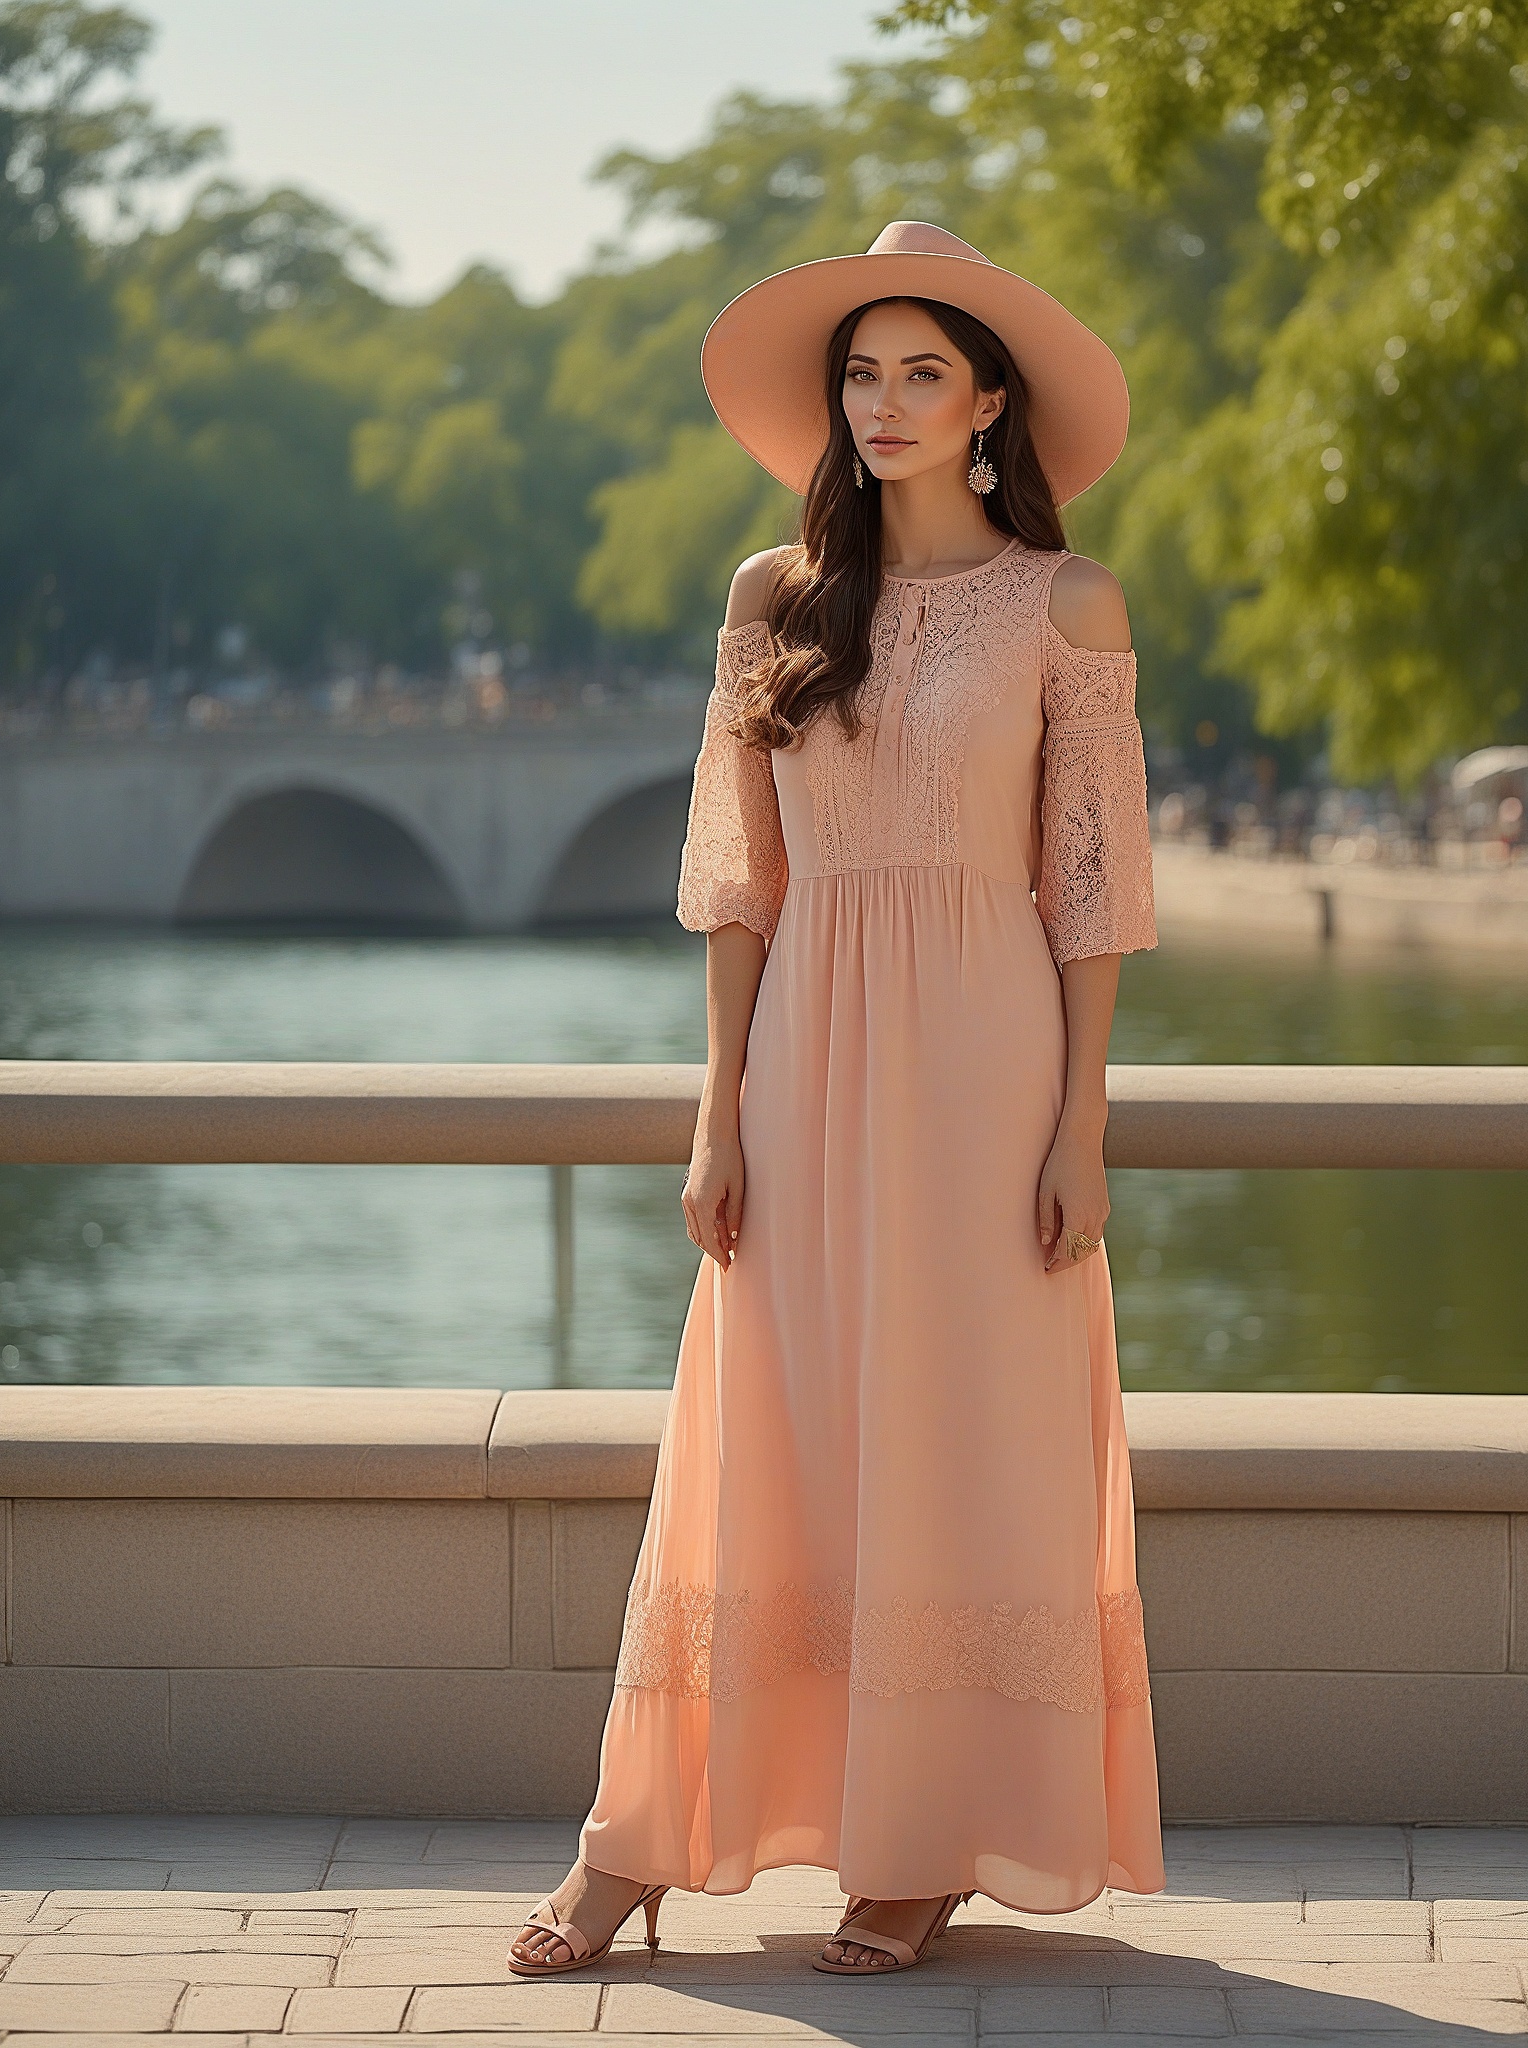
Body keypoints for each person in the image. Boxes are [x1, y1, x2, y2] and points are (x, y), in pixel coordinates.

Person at [507, 221, 1166, 1982]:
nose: (883, 404)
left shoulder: (1067, 605)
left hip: (987, 1055)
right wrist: (718, 1105)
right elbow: (738, 883)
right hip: (806, 1052)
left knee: (961, 1431)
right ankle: (638, 1835)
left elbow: (1091, 893)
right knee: (766, 1425)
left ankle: (921, 1837)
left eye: (921, 374)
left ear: (988, 403)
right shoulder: (769, 601)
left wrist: (1079, 1123)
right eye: (861, 374)